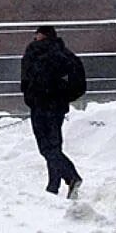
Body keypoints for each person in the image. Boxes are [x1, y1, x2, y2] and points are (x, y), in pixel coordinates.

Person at [21, 25, 83, 199]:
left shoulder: (33, 52)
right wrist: (66, 95)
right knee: (54, 145)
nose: (36, 38)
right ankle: (53, 185)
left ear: (41, 36)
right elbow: (78, 79)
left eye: (38, 35)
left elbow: (26, 78)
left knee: (46, 147)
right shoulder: (64, 53)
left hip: (40, 104)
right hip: (56, 105)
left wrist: (30, 96)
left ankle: (71, 177)